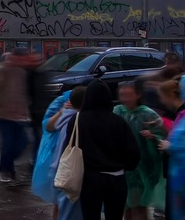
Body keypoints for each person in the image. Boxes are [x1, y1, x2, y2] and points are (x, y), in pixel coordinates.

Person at [68, 81, 140, 220]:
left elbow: (69, 147)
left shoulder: (77, 120)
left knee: (90, 215)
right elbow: (133, 153)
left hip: (89, 178)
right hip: (116, 178)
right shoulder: (118, 121)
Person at [113, 81, 165, 220]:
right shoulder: (117, 111)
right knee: (126, 206)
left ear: (138, 95)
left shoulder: (148, 114)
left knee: (138, 206)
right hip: (122, 168)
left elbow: (163, 137)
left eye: (128, 95)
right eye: (122, 95)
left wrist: (153, 136)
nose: (125, 99)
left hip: (142, 168)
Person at [0, 51, 33, 183]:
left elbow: (22, 93)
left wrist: (26, 109)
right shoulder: (0, 71)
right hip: (2, 113)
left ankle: (9, 166)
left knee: (23, 142)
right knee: (8, 143)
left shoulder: (21, 72)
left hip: (19, 114)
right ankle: (6, 170)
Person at [36, 86, 87, 220]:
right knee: (62, 204)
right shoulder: (69, 114)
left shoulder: (72, 116)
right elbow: (48, 126)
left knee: (61, 205)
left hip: (60, 165)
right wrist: (62, 110)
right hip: (67, 166)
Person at [153, 76, 184, 218]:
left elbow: (178, 144)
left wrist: (168, 146)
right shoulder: (179, 115)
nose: (161, 101)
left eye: (162, 97)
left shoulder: (182, 115)